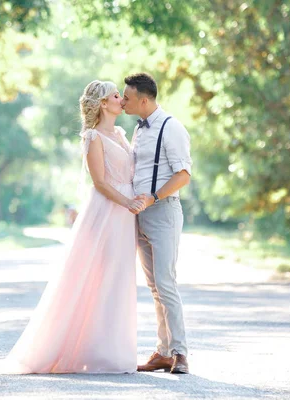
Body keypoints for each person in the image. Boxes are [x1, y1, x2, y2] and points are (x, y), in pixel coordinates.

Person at [4, 80, 144, 374]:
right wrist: (127, 202)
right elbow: (101, 183)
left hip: (125, 215)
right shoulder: (93, 137)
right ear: (104, 103)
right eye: (116, 95)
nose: (123, 98)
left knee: (120, 279)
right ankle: (91, 353)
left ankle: (114, 352)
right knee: (97, 277)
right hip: (108, 212)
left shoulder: (120, 133)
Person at [121, 72, 192, 374]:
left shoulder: (171, 127)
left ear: (144, 99)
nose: (122, 101)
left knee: (166, 283)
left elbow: (183, 175)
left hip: (163, 212)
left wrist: (152, 197)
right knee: (154, 287)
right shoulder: (138, 130)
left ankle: (181, 353)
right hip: (140, 216)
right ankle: (163, 352)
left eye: (127, 97)